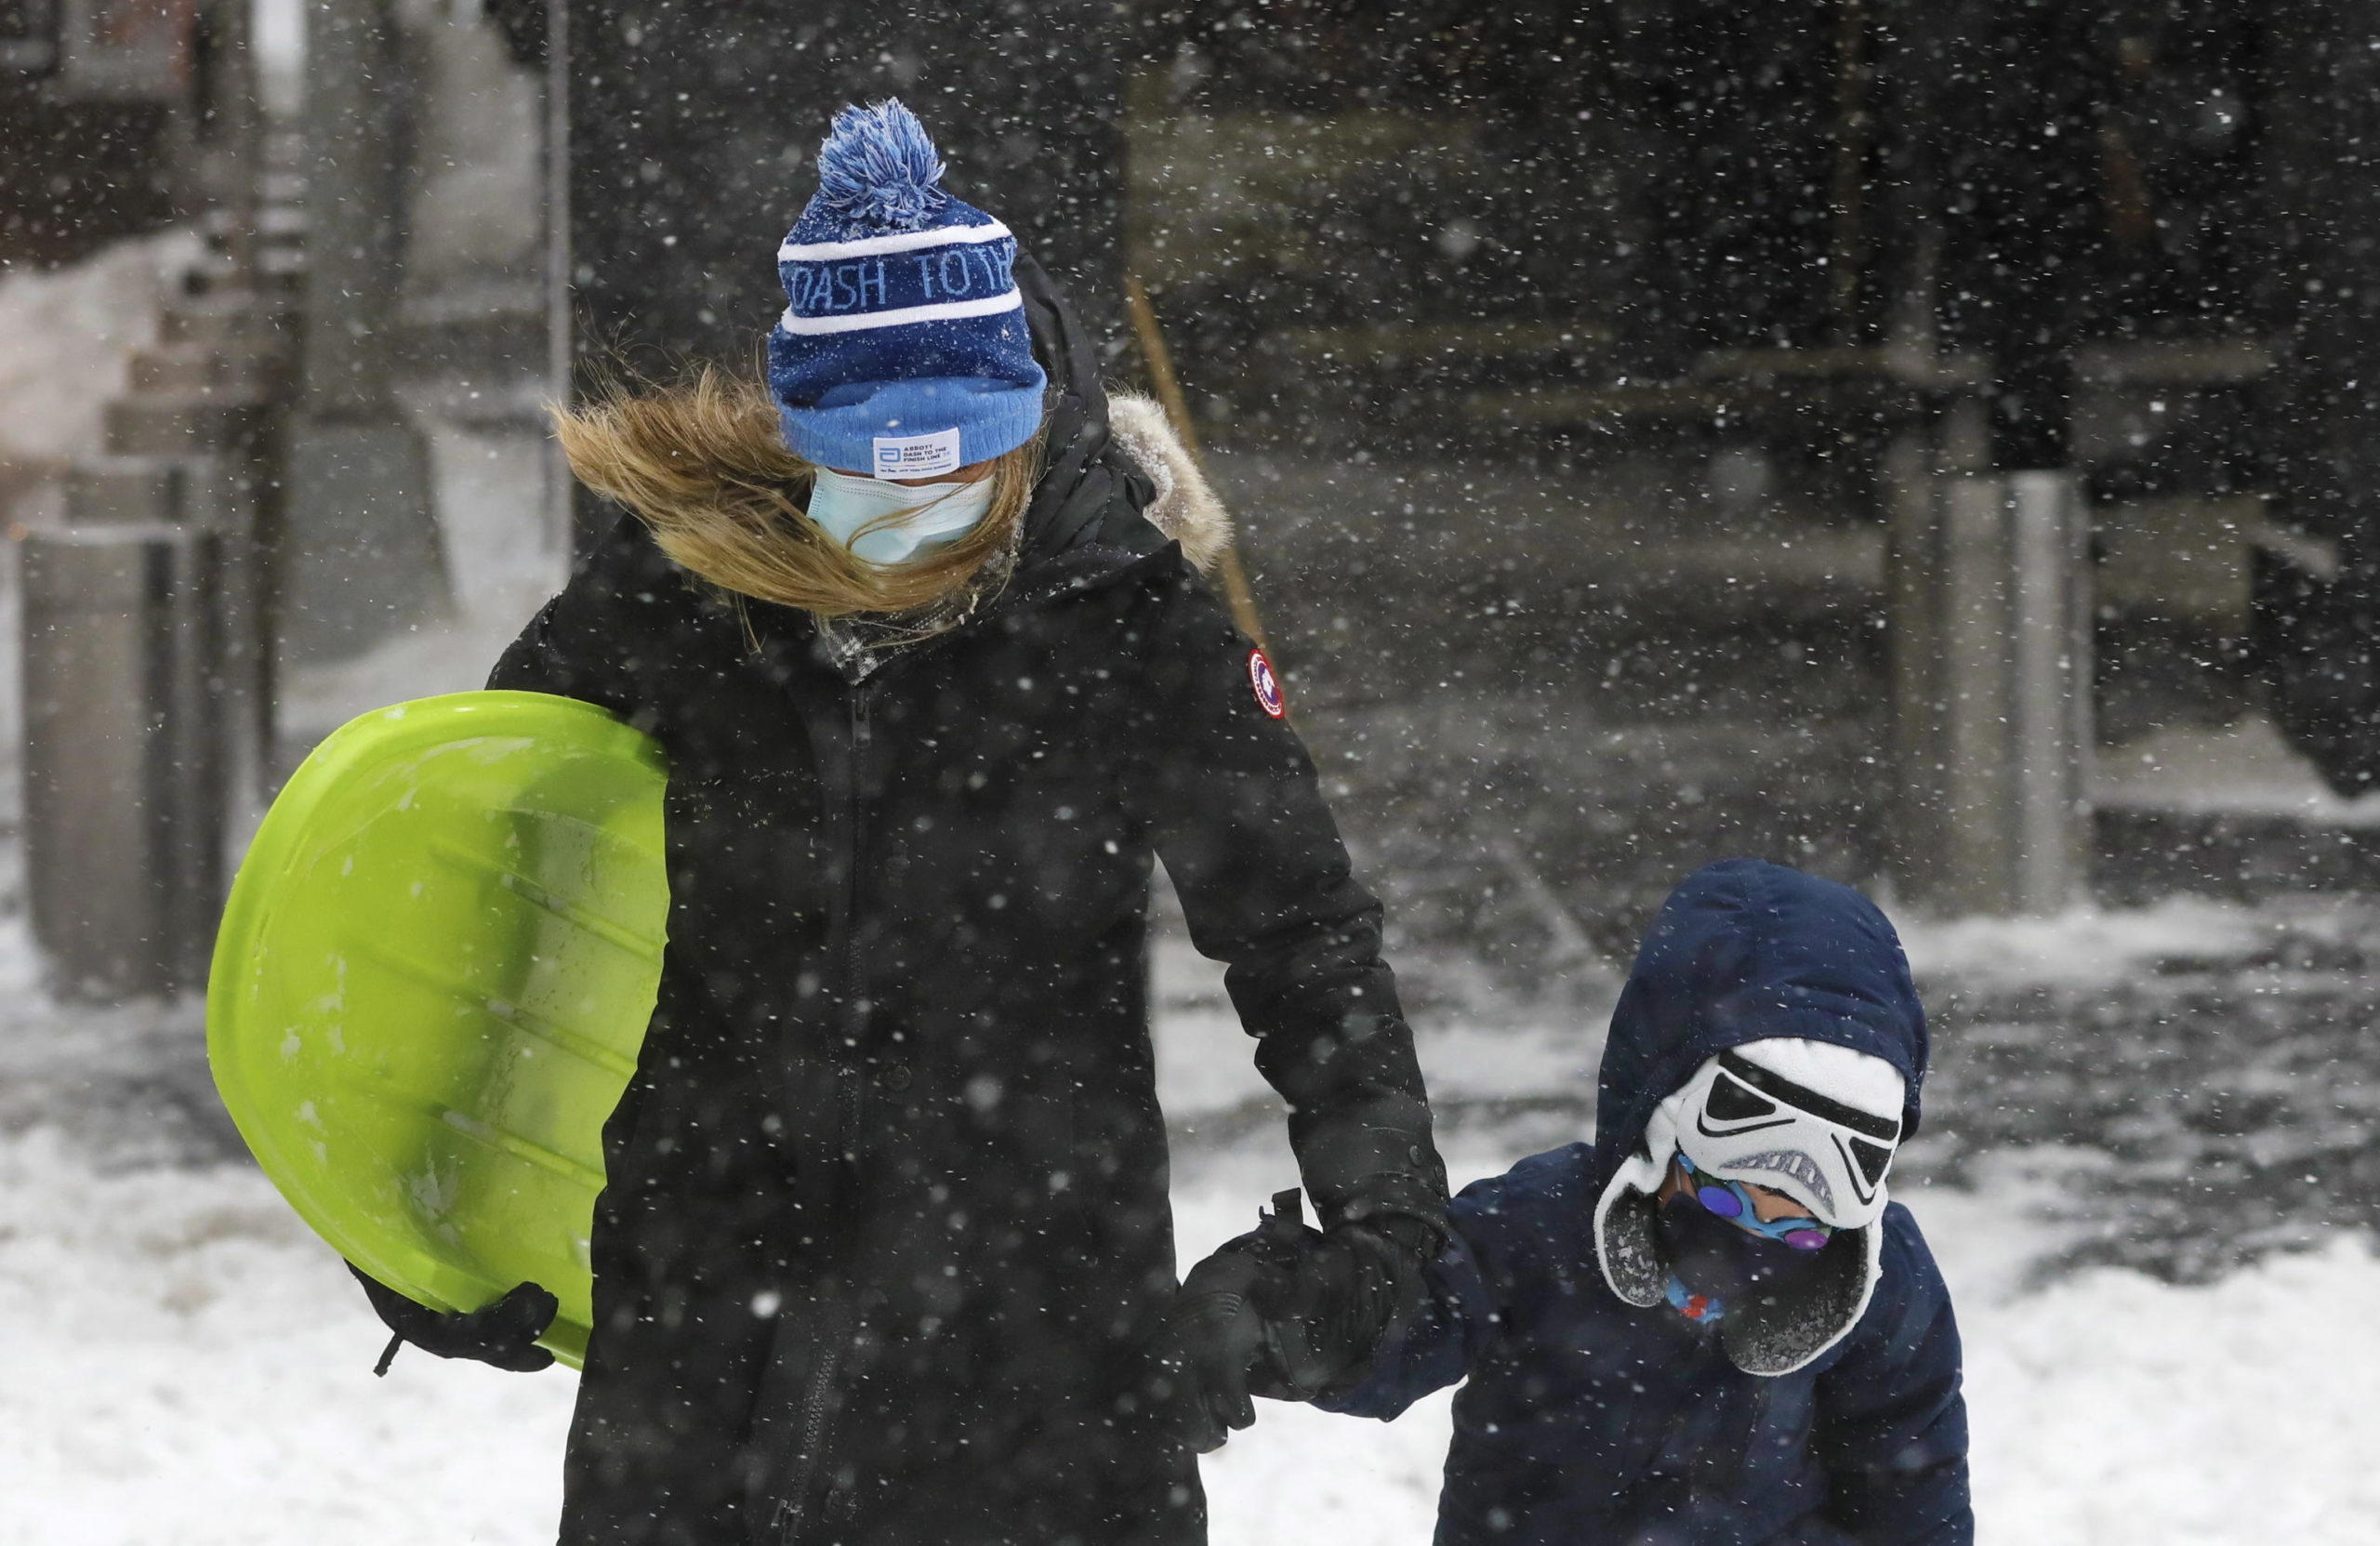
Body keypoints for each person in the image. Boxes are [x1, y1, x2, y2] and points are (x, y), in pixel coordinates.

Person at [350, 99, 1449, 1545]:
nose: (917, 518)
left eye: (957, 475)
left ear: (1020, 432)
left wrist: (1384, 1234)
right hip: (705, 1329)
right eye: (872, 471)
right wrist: (421, 1201)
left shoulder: (1127, 622)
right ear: (804, 438)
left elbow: (1301, 935)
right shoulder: (680, 597)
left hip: (1037, 1334)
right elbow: (485, 873)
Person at [1317, 858, 1971, 1546]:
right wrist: (1307, 1309)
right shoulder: (1541, 1225)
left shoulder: (1883, 1283)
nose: (1755, 1244)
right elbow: (1402, 1321)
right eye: (1724, 1200)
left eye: (1798, 1231)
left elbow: (1913, 1495)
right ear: (1664, 1128)